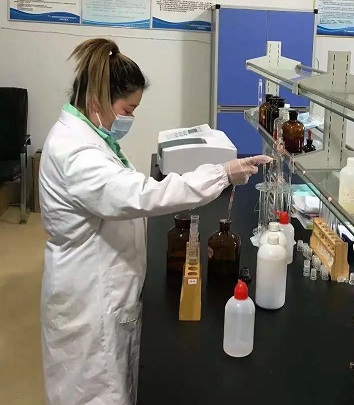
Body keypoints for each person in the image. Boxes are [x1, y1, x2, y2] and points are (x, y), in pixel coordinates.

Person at [39, 38, 271, 405]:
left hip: (103, 280)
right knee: (96, 392)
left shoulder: (90, 134)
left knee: (116, 383)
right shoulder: (76, 154)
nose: (130, 119)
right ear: (97, 101)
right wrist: (222, 173)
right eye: (127, 109)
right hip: (90, 294)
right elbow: (144, 195)